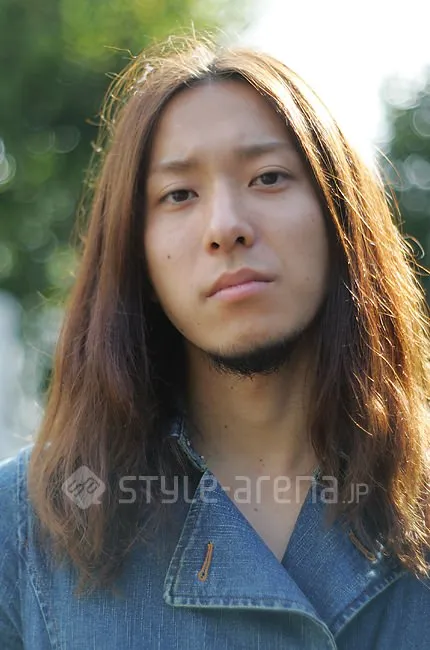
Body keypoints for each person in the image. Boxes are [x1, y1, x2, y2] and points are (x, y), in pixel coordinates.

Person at [1, 32, 430, 650]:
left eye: (268, 177)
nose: (226, 226)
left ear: (341, 221)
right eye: (179, 194)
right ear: (136, 257)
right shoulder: (24, 529)